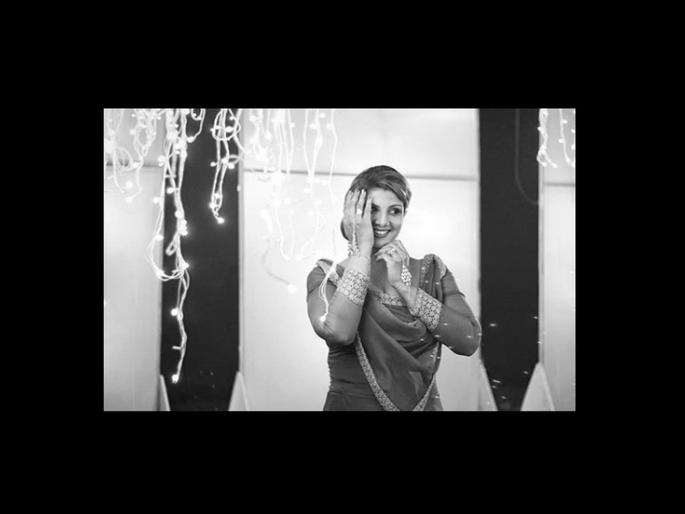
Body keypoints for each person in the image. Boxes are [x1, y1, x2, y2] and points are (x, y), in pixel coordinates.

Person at [305, 165, 482, 411]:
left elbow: (468, 341)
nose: (383, 222)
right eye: (372, 210)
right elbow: (340, 333)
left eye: (395, 211)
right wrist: (362, 251)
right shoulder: (327, 276)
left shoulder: (432, 272)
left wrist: (406, 289)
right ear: (354, 213)